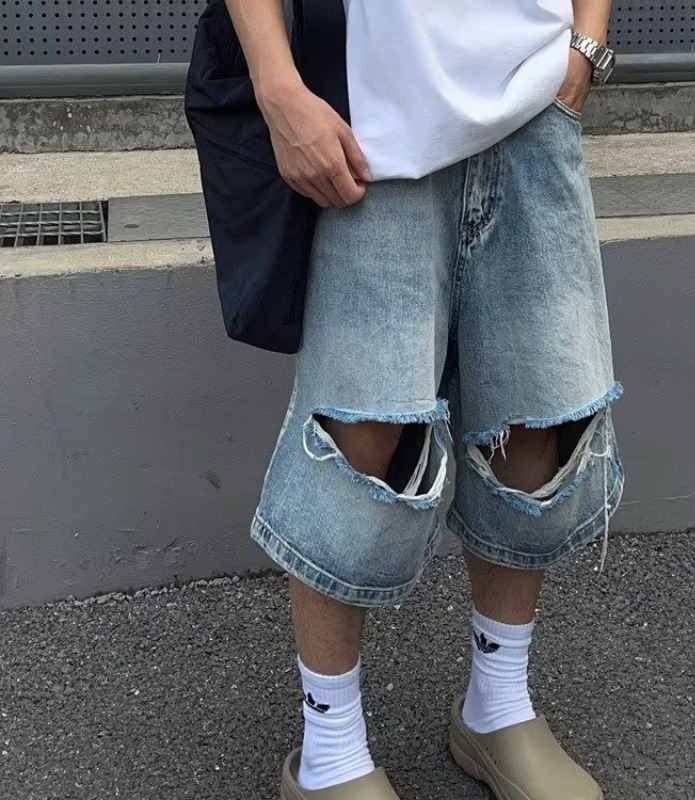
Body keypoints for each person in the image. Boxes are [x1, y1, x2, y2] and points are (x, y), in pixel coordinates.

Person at [225, 1, 623, 797]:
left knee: (535, 420)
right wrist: (277, 86)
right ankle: (331, 751)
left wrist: (587, 43)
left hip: (535, 98)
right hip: (370, 120)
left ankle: (498, 705)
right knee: (360, 439)